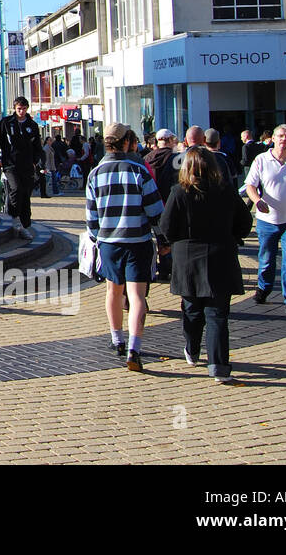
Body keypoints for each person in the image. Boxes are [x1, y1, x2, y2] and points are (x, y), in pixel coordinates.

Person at [158, 147, 250, 384]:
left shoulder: (178, 192)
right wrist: (234, 235)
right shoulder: (226, 191)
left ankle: (192, 347)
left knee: (191, 308)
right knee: (218, 314)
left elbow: (166, 226)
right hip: (221, 256)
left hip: (187, 258)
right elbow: (245, 221)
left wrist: (173, 242)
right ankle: (219, 365)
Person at [85, 122, 164, 371]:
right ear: (126, 142)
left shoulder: (95, 174)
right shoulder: (138, 171)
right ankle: (134, 347)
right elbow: (155, 210)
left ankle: (116, 338)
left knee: (113, 291)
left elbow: (92, 219)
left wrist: (99, 237)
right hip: (137, 241)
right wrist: (161, 238)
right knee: (137, 295)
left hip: (109, 242)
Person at [244, 124, 286, 317]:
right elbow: (250, 185)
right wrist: (257, 200)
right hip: (267, 220)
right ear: (273, 138)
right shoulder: (262, 160)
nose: (284, 140)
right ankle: (263, 288)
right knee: (266, 258)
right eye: (280, 136)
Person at [0, 97, 43, 237]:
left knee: (25, 194)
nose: (22, 111)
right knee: (16, 189)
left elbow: (37, 147)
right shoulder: (6, 123)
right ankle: (12, 218)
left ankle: (25, 224)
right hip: (10, 164)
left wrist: (36, 161)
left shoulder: (32, 125)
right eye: (19, 108)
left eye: (24, 108)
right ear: (15, 108)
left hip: (27, 165)